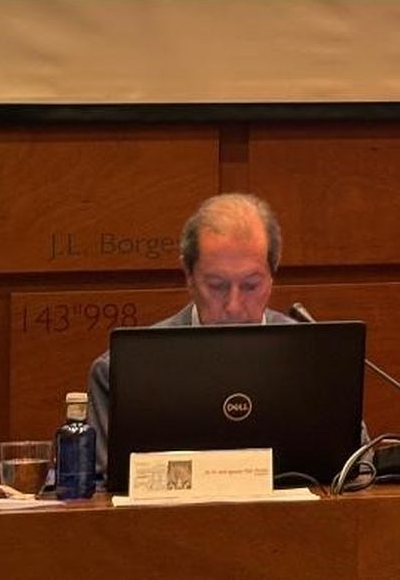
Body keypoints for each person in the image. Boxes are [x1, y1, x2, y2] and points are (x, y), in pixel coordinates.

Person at [87, 192, 291, 473]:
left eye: (250, 286)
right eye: (217, 285)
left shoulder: (318, 362)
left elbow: (357, 471)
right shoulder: (121, 372)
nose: (233, 306)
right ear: (189, 277)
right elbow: (99, 495)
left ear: (272, 278)